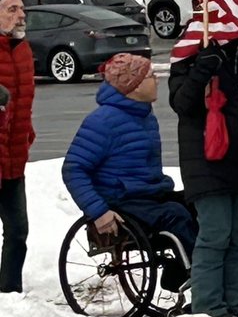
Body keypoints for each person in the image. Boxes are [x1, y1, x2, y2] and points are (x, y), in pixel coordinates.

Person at [170, 28, 238, 317]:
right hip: (206, 161)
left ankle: (236, 302)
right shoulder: (190, 55)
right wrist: (203, 67)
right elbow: (183, 104)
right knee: (215, 234)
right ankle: (208, 306)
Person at [62, 54, 197, 258]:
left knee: (199, 203)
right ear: (134, 85)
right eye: (151, 76)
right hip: (121, 200)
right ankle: (199, 270)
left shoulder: (145, 116)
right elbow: (73, 169)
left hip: (149, 195)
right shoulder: (102, 121)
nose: (157, 80)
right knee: (175, 216)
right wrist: (99, 211)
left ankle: (190, 268)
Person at [0, 0, 33, 294]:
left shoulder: (22, 49)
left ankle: (9, 295)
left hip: (14, 156)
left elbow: (25, 102)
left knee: (18, 231)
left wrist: (27, 134)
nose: (21, 15)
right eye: (12, 9)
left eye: (21, 9)